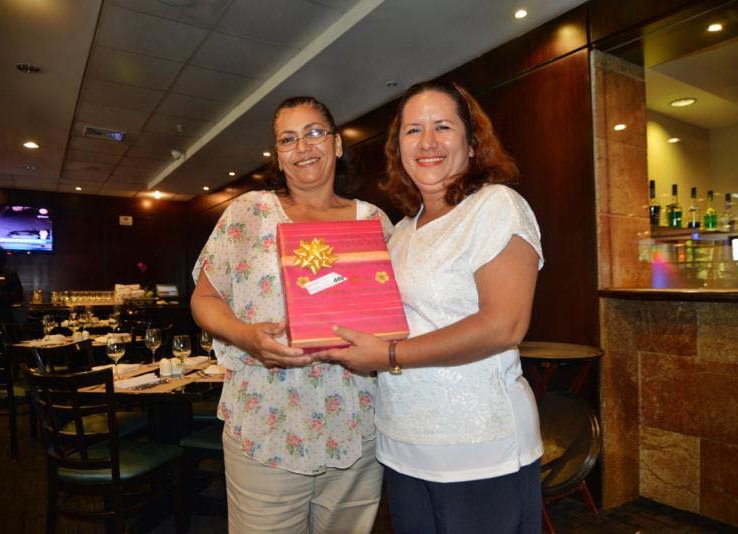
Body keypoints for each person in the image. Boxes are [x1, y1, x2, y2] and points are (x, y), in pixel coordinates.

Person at [317, 80, 544, 533]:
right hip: (403, 445)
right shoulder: (402, 231)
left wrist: (389, 355)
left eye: (443, 126)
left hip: (479, 448)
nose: (427, 142)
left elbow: (504, 324)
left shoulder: (496, 206)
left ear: (472, 142)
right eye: (413, 130)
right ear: (397, 148)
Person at [190, 96, 393, 533]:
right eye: (288, 139)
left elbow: (395, 309)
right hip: (268, 417)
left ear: (336, 143)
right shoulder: (248, 213)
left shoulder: (373, 221)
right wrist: (244, 335)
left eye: (314, 132)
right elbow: (204, 298)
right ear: (278, 156)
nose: (303, 147)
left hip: (354, 421)